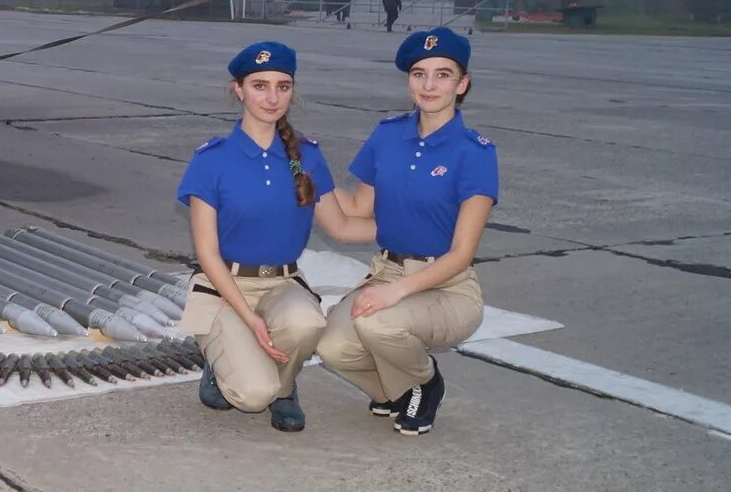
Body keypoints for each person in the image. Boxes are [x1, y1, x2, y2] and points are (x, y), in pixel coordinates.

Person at [176, 41, 375, 432]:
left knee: (307, 324)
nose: (271, 97)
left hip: (283, 283)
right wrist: (249, 317)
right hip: (223, 289)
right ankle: (221, 365)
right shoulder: (212, 160)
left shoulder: (304, 155)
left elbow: (342, 226)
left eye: (282, 86)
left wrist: (417, 232)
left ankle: (285, 389)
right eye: (259, 85)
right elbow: (207, 253)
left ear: (292, 91)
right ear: (239, 89)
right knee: (252, 396)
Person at [318, 27, 495, 436]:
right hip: (388, 271)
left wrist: (393, 293)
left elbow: (461, 254)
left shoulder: (476, 152)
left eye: (443, 74)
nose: (429, 85)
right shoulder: (387, 135)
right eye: (419, 74)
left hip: (447, 285)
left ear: (462, 83)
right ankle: (396, 391)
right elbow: (359, 209)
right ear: (408, 81)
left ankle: (426, 383)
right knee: (331, 346)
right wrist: (305, 169)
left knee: (378, 323)